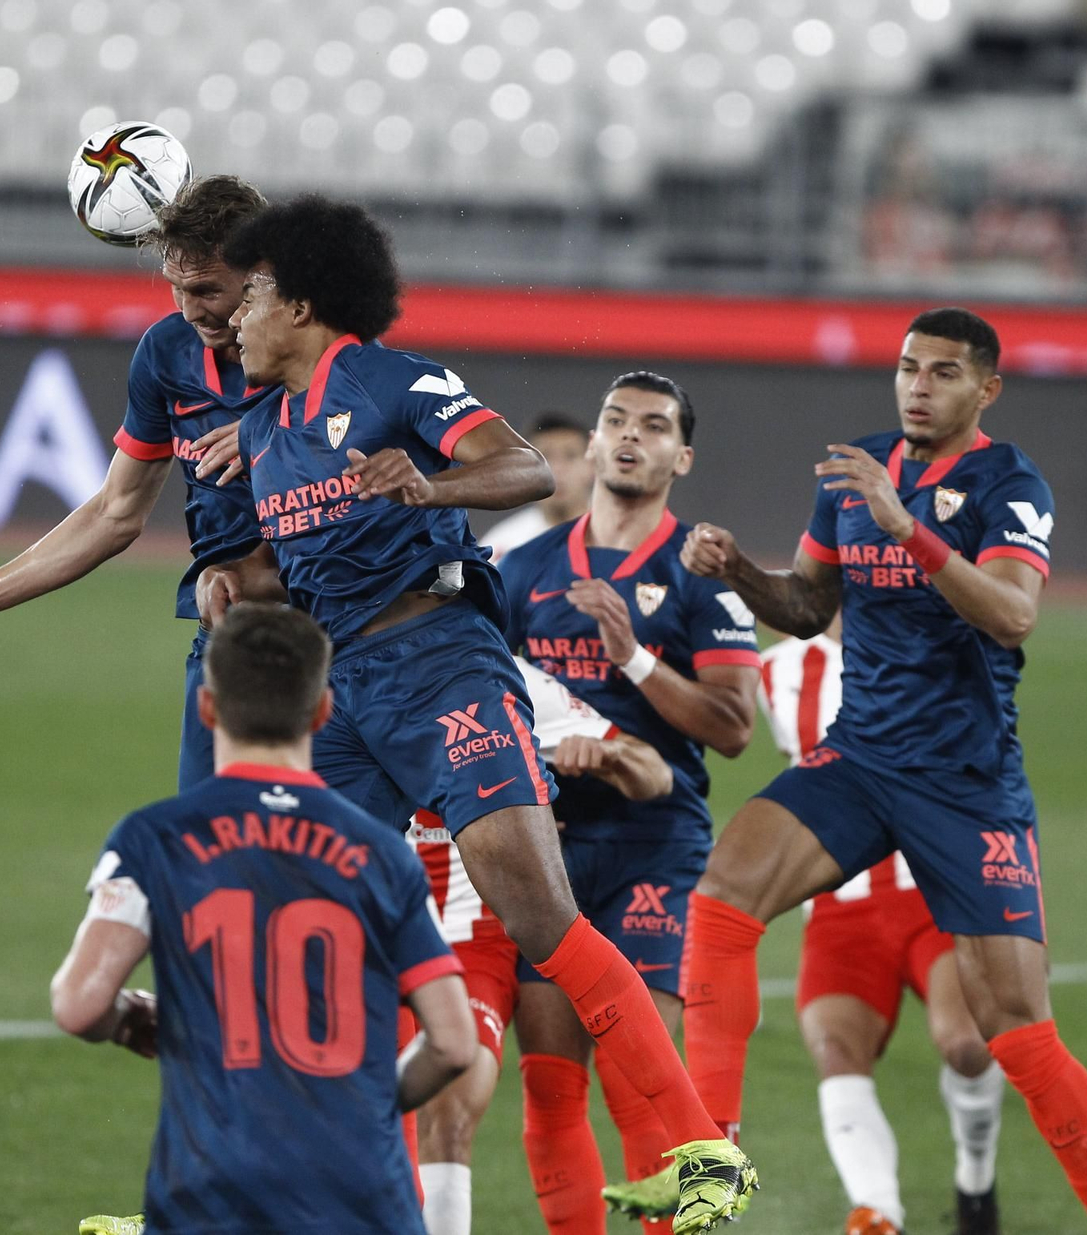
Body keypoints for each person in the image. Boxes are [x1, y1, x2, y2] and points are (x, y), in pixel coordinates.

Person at [199, 195, 758, 1232]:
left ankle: (702, 1156)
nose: (233, 314)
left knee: (539, 913)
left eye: (255, 292)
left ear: (306, 300)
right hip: (348, 695)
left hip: (442, 662)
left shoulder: (386, 377)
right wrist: (239, 583)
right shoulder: (263, 429)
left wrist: (431, 486)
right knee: (311, 935)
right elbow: (297, 559)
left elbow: (528, 467)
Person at [678, 308, 1087, 1235]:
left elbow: (1012, 615)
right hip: (861, 756)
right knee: (722, 897)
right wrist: (738, 572)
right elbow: (807, 607)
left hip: (966, 784)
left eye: (941, 372)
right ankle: (708, 1178)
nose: (917, 385)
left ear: (985, 389)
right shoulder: (855, 471)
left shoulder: (1008, 484)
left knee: (1016, 1031)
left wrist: (908, 527)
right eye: (906, 367)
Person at [51, 602, 478, 1233]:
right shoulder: (384, 854)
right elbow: (451, 1042)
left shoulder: (152, 839)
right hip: (363, 1197)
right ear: (323, 711)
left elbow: (79, 1005)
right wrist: (360, 1105)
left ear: (208, 708)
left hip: (212, 1192)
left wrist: (127, 1020)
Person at [0, 176, 275, 788]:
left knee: (345, 853)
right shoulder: (167, 354)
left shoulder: (330, 353)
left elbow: (378, 469)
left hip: (341, 631)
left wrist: (270, 437)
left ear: (265, 274)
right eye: (177, 290)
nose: (191, 310)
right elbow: (116, 513)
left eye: (207, 290)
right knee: (211, 853)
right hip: (230, 633)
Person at [496, 373, 762, 1232]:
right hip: (549, 843)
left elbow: (732, 729)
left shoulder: (701, 578)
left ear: (681, 456)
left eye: (652, 426)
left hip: (656, 840)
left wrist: (635, 660)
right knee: (548, 1083)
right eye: (615, 420)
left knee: (636, 1079)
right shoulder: (525, 567)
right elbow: (487, 694)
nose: (628, 436)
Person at [409, 655, 675, 1235]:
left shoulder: (502, 676)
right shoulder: (326, 670)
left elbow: (654, 771)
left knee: (449, 1103)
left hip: (467, 942)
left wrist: (604, 753)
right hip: (361, 940)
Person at [759, 615, 1005, 1235]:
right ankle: (879, 1214)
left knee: (968, 1042)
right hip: (841, 909)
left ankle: (976, 1174)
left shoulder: (935, 642)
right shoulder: (777, 670)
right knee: (836, 1049)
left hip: (936, 893)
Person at [478, 414, 593, 562]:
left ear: (592, 464)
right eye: (544, 456)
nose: (557, 469)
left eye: (570, 456)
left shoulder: (620, 536)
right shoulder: (504, 545)